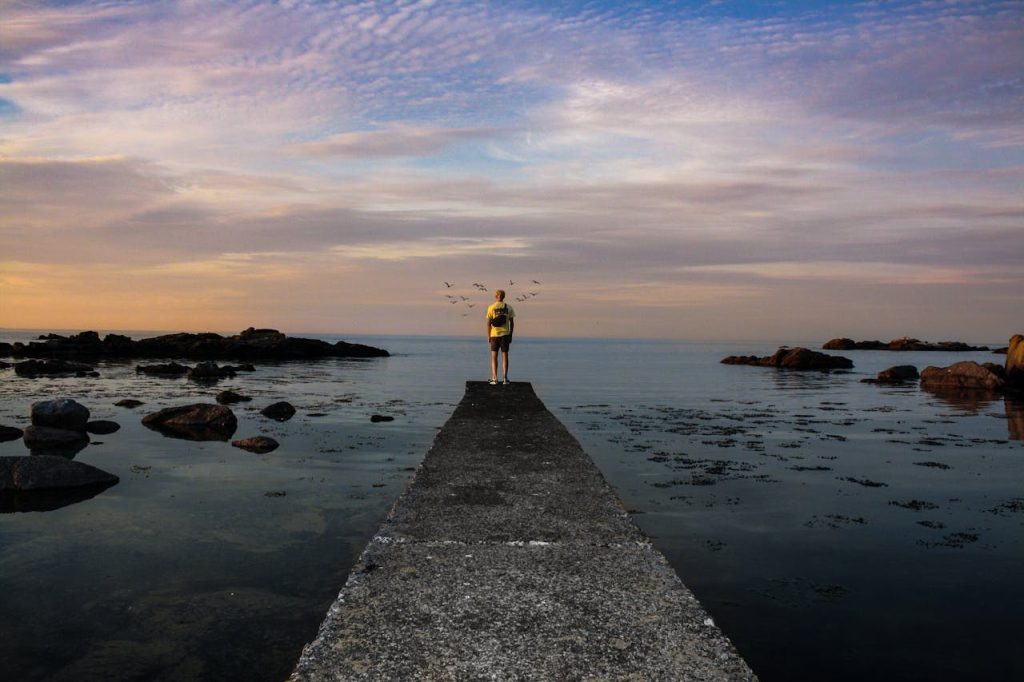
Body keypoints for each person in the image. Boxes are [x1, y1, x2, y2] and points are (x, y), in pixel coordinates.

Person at [486, 289, 515, 385]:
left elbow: (488, 323)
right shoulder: (509, 307)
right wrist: (510, 334)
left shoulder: (491, 307)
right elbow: (512, 322)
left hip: (494, 335)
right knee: (505, 356)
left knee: (494, 356)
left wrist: (488, 335)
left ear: (496, 296)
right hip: (505, 335)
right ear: (503, 297)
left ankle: (494, 378)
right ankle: (505, 378)